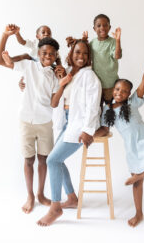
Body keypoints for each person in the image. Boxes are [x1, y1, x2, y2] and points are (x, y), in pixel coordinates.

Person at [0, 25, 62, 214]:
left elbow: (55, 103)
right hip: (26, 120)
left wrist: (63, 83)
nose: (47, 56)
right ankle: (30, 196)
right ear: (38, 53)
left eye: (51, 54)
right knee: (28, 160)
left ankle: (41, 194)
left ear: (56, 56)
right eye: (44, 53)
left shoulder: (55, 75)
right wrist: (5, 35)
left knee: (43, 159)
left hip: (45, 122)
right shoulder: (28, 65)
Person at [95, 53, 144, 227]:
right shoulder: (107, 110)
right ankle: (138, 213)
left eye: (125, 91)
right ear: (113, 90)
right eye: (118, 89)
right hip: (131, 146)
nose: (120, 92)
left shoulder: (132, 103)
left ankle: (137, 177)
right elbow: (104, 129)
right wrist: (91, 135)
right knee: (138, 184)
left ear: (128, 94)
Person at [37, 35, 102, 227]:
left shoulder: (89, 76)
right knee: (56, 159)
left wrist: (88, 130)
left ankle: (55, 207)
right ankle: (72, 198)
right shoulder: (71, 74)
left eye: (85, 53)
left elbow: (93, 106)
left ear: (89, 57)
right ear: (71, 55)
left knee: (52, 160)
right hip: (67, 121)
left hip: (79, 124)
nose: (81, 55)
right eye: (77, 52)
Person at [83, 14, 122, 104]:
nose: (102, 28)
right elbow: (86, 58)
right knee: (97, 109)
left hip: (111, 85)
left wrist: (118, 41)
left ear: (109, 27)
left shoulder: (113, 42)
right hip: (97, 84)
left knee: (109, 109)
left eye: (105, 25)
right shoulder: (92, 43)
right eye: (99, 25)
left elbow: (117, 56)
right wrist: (84, 40)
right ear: (94, 29)